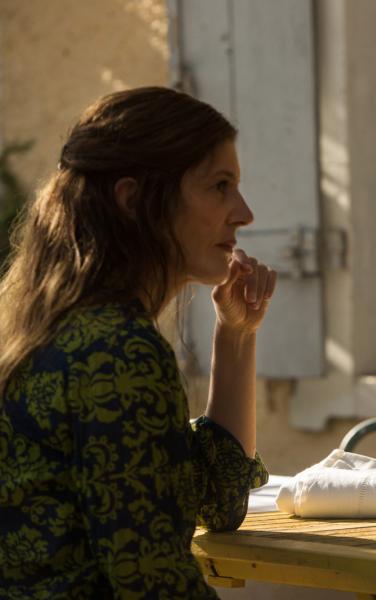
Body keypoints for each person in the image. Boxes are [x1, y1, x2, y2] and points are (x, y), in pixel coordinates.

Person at [0, 87, 277, 598]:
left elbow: (217, 500)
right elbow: (155, 584)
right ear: (133, 200)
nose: (244, 213)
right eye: (220, 186)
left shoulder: (69, 330)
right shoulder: (116, 352)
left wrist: (236, 335)